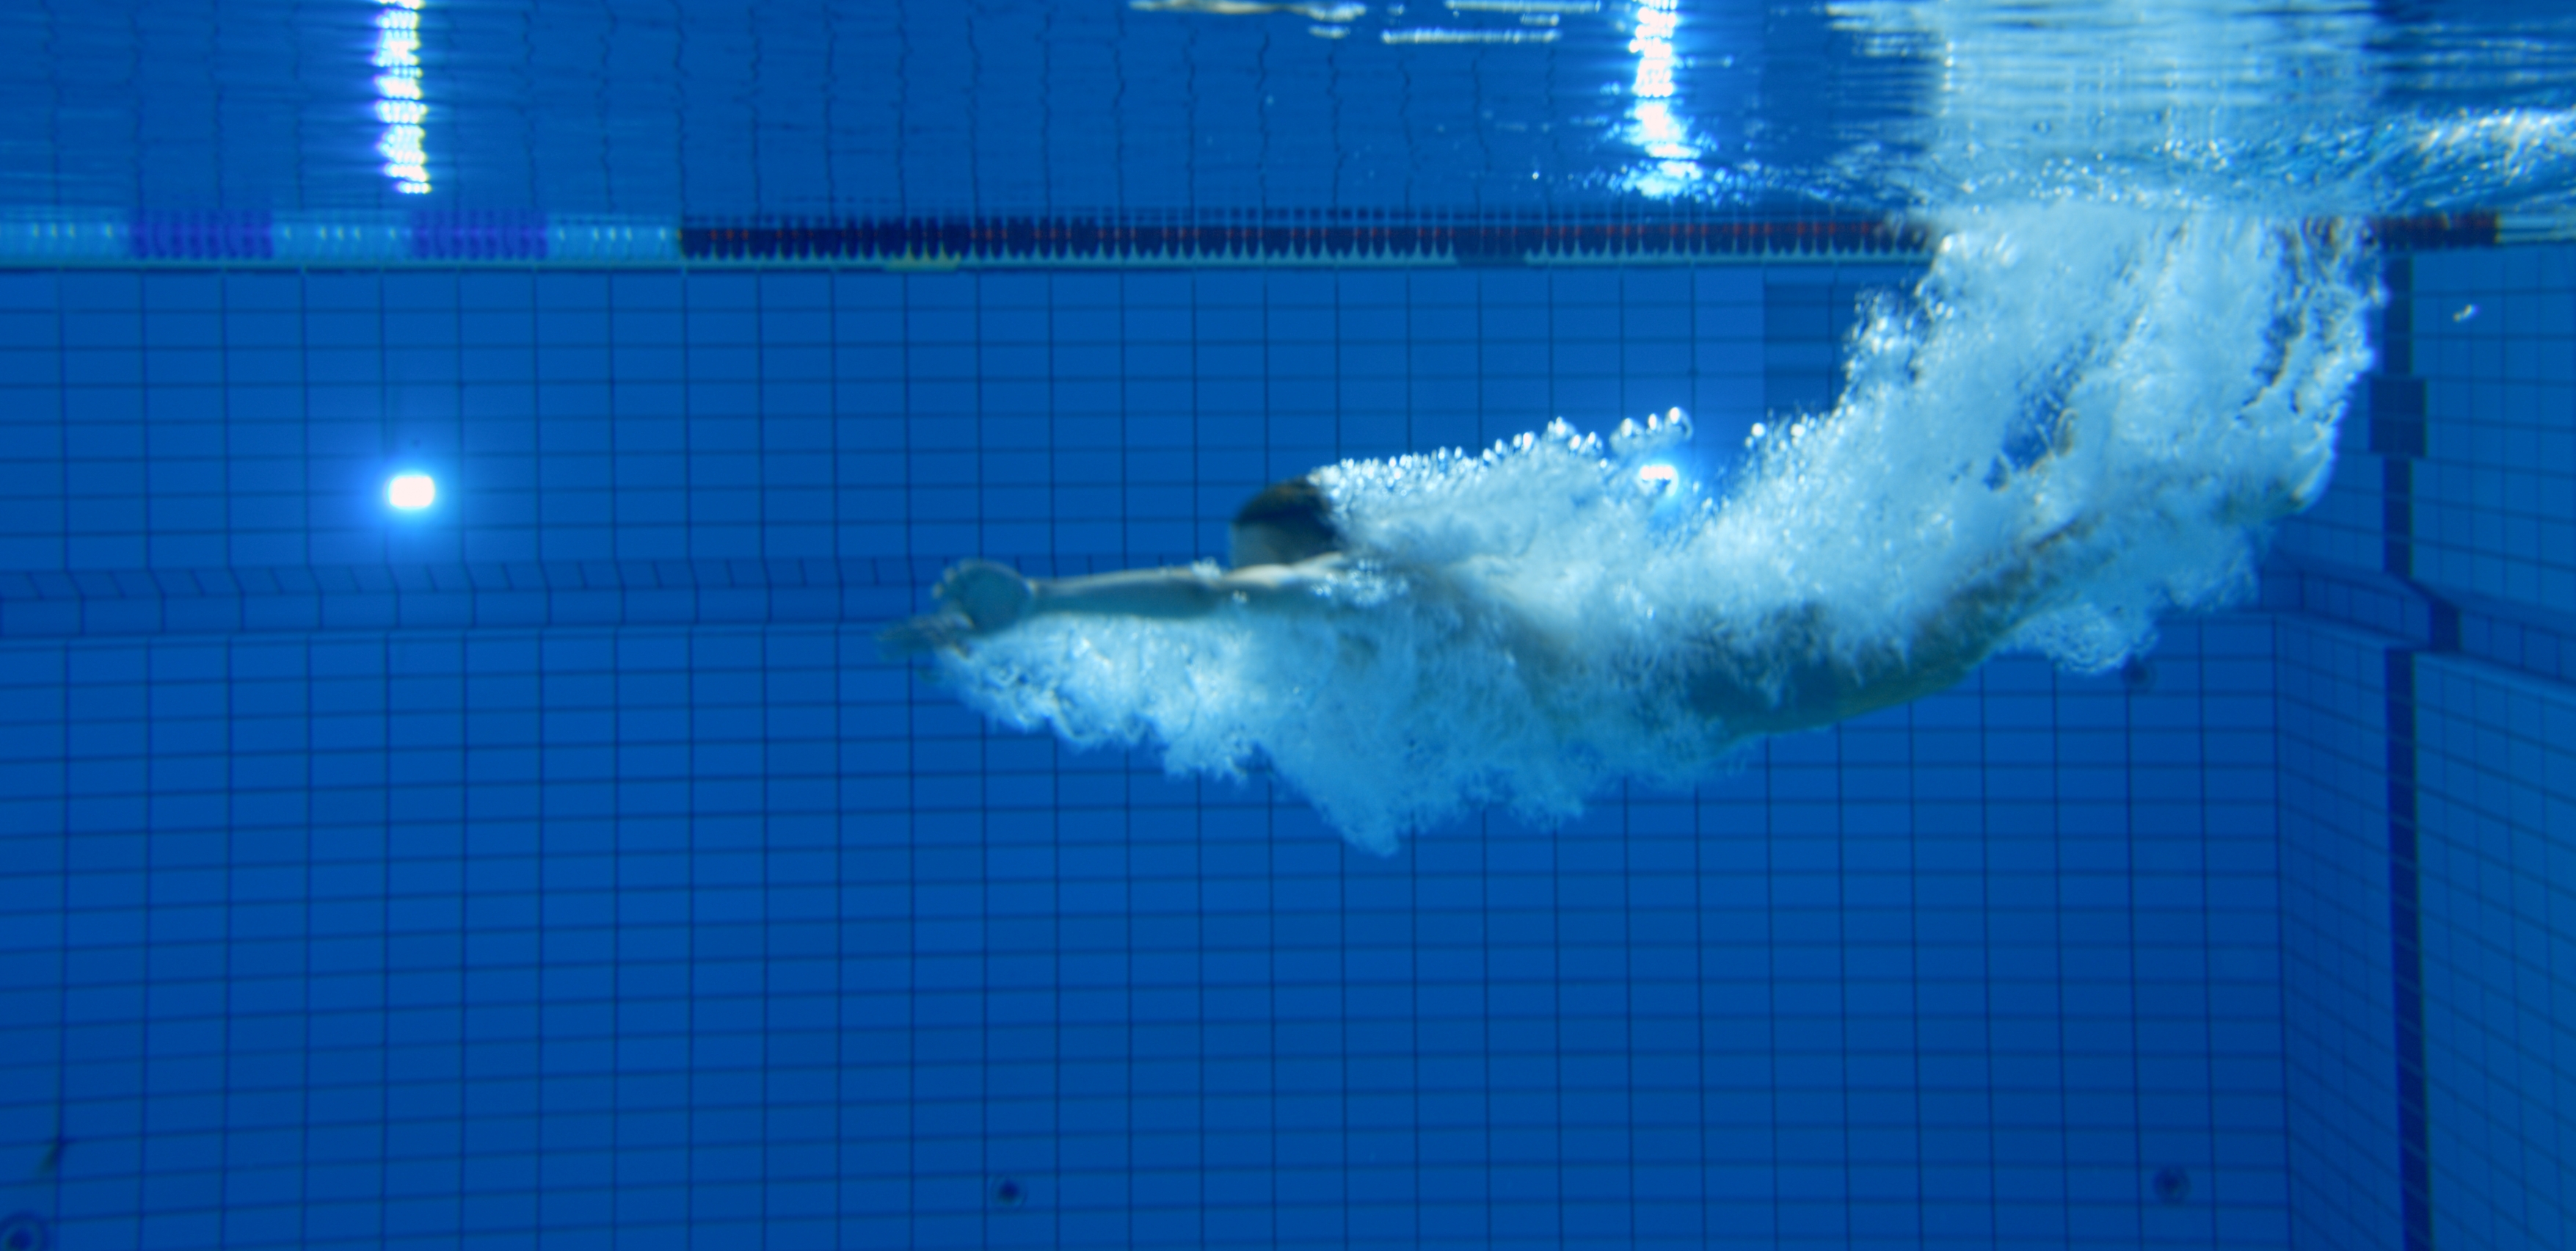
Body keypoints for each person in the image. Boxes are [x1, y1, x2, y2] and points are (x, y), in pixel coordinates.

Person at [883, 473, 2096, 747]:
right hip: (1674, 681)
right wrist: (991, 654)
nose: (1267, 591)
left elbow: (1210, 603)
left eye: (1274, 568)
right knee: (1946, 626)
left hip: (1689, 675)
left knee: (1942, 644)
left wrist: (1040, 602)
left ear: (1314, 552)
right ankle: (2096, 499)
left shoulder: (1366, 586)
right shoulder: (1367, 606)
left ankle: (2138, 507)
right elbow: (1187, 648)